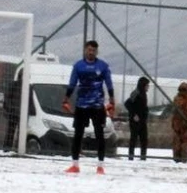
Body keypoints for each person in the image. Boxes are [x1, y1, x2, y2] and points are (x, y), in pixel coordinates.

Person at [62, 40, 115, 174]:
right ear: (85, 50)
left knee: (99, 135)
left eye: (93, 50)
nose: (91, 52)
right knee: (78, 134)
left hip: (97, 106)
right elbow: (72, 83)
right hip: (82, 104)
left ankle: (100, 166)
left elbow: (109, 83)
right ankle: (75, 165)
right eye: (89, 50)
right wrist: (66, 97)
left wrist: (112, 98)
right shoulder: (78, 66)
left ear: (97, 51)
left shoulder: (103, 66)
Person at [125, 76, 150, 161]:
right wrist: (134, 115)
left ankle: (143, 157)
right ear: (143, 85)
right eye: (147, 85)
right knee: (134, 139)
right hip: (135, 121)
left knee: (144, 139)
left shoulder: (144, 94)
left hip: (143, 121)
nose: (148, 87)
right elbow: (127, 104)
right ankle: (131, 157)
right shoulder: (136, 93)